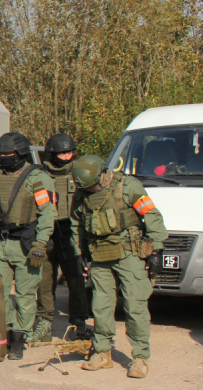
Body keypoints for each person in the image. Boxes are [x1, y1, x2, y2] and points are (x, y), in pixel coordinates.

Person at [71, 155, 167, 378]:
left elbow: (151, 215)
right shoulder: (82, 192)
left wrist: (157, 249)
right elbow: (77, 223)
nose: (92, 190)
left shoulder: (127, 186)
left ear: (103, 174)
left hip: (129, 253)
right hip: (99, 254)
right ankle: (103, 352)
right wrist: (78, 252)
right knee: (101, 305)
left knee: (135, 305)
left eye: (94, 185)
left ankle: (140, 357)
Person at [0, 132, 55, 360]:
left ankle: (19, 338)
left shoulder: (37, 177)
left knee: (25, 294)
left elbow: (47, 213)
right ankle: (4, 331)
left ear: (21, 154)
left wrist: (41, 243)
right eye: (1, 154)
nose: (3, 158)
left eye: (8, 154)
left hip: (26, 243)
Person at [35, 133, 91, 341]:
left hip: (72, 232)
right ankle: (44, 323)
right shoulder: (39, 175)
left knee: (76, 280)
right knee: (44, 280)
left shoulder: (80, 173)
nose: (66, 156)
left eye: (69, 152)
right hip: (46, 232)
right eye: (62, 152)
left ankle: (79, 323)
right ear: (51, 153)